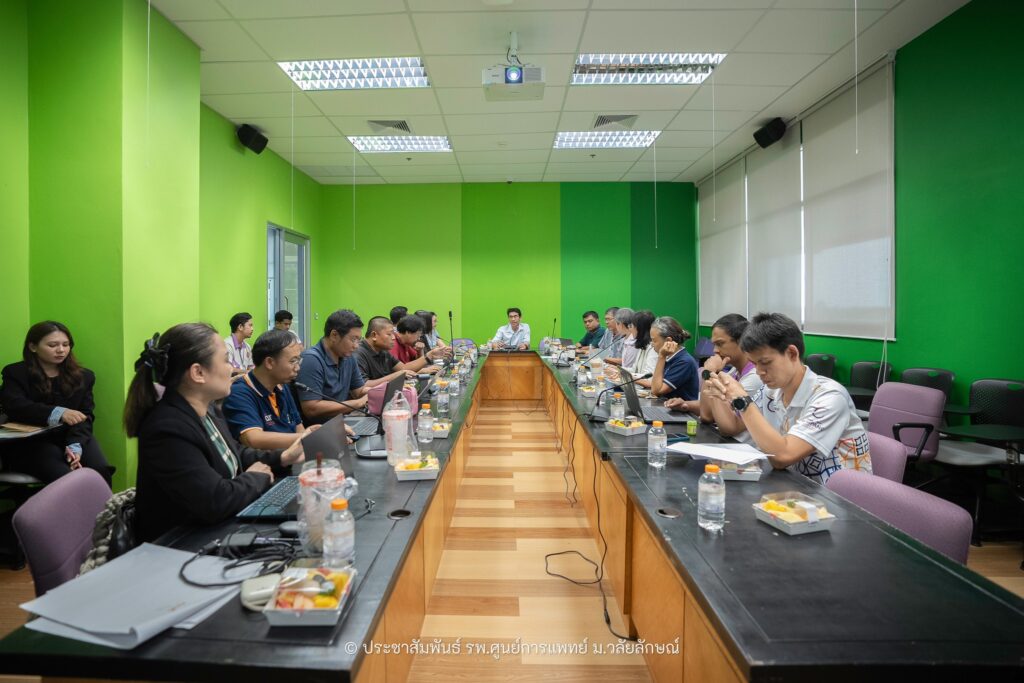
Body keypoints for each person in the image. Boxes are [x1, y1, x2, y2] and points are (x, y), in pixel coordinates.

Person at [125, 323, 313, 543]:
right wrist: (256, 478)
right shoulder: (167, 428)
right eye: (225, 360)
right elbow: (214, 500)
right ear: (198, 373)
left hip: (214, 529)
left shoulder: (206, 411)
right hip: (180, 544)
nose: (231, 368)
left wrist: (282, 457)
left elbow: (235, 454)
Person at [704, 312, 871, 485]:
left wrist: (743, 400)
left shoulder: (830, 397)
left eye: (765, 362)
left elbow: (782, 457)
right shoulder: (771, 391)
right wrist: (717, 393)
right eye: (754, 364)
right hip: (794, 485)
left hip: (837, 495)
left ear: (792, 353)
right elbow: (732, 427)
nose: (759, 372)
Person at [0, 321, 111, 484]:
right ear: (33, 347)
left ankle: (103, 503)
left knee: (100, 470)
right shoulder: (15, 373)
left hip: (73, 435)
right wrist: (58, 412)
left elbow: (85, 415)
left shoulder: (84, 376)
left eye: (66, 345)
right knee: (65, 478)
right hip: (31, 442)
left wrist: (75, 445)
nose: (61, 350)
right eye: (53, 345)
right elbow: (15, 406)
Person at [666, 314, 763, 440]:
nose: (715, 351)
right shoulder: (735, 370)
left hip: (738, 446)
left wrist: (709, 373)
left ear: (741, 342)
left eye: (720, 344)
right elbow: (715, 406)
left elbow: (708, 416)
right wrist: (686, 405)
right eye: (714, 345)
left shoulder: (754, 377)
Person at [222, 329, 310, 449]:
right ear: (269, 363)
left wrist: (309, 438)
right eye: (293, 361)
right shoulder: (239, 393)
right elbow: (253, 439)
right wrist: (306, 437)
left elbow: (298, 427)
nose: (297, 368)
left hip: (292, 456)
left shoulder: (282, 385)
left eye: (298, 360)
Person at [295, 309, 370, 424]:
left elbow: (358, 391)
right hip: (319, 429)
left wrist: (378, 391)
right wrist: (358, 403)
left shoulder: (348, 356)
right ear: (334, 335)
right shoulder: (311, 360)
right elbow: (311, 408)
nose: (356, 346)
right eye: (353, 339)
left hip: (340, 422)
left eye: (358, 340)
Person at [355, 316, 445, 386]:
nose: (393, 337)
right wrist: (396, 375)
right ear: (374, 335)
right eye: (389, 334)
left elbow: (403, 368)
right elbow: (363, 385)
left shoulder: (383, 351)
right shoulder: (358, 354)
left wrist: (429, 356)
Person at [650, 316, 700, 401]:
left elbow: (656, 391)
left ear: (668, 341)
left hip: (680, 409)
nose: (651, 344)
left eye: (654, 340)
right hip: (665, 405)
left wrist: (661, 356)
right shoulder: (670, 358)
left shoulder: (684, 362)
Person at [609, 310, 657, 388]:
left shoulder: (653, 349)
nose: (630, 329)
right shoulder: (642, 345)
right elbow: (634, 369)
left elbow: (649, 377)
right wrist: (618, 369)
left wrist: (623, 374)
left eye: (632, 326)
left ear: (640, 328)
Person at [225, 312, 255, 377]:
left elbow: (251, 367)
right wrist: (248, 372)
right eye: (250, 325)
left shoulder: (247, 347)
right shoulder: (227, 345)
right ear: (240, 327)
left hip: (244, 380)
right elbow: (228, 370)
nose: (252, 329)